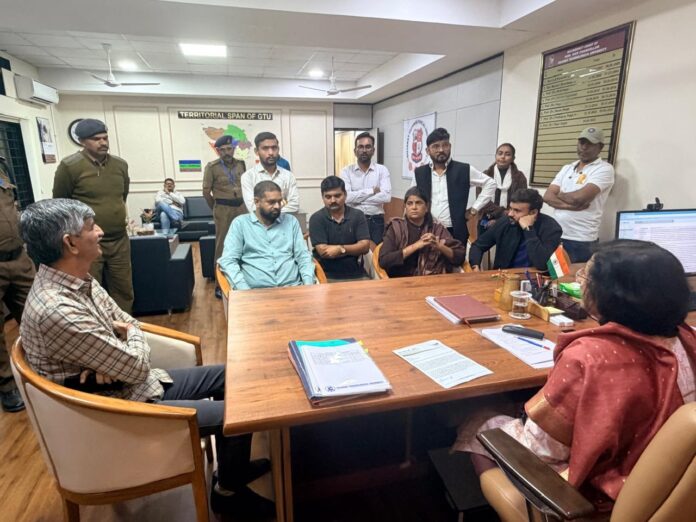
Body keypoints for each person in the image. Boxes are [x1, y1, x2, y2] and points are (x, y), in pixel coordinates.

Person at [18, 199, 273, 517]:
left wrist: (125, 338)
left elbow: (128, 324)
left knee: (229, 375)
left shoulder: (77, 280)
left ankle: (232, 473)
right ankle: (228, 495)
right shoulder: (57, 309)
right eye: (91, 227)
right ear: (70, 243)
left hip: (128, 384)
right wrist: (128, 338)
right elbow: (137, 365)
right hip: (118, 409)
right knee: (237, 414)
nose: (100, 231)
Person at [454, 240, 695, 510]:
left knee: (478, 420)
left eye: (585, 277)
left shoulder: (589, 357)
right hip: (670, 490)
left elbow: (541, 451)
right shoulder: (689, 338)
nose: (580, 282)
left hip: (590, 499)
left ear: (611, 295)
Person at [53, 118, 133, 314]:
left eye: (105, 138)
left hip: (119, 239)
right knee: (90, 290)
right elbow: (61, 204)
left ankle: (125, 327)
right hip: (86, 242)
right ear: (82, 141)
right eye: (96, 139)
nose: (103, 142)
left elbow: (122, 196)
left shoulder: (120, 165)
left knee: (124, 289)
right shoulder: (70, 166)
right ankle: (96, 328)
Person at [219, 181, 314, 290]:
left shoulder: (291, 222)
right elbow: (228, 260)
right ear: (257, 202)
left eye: (280, 201)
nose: (277, 206)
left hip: (293, 288)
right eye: (271, 202)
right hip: (256, 292)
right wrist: (244, 291)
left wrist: (308, 287)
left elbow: (303, 256)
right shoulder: (240, 224)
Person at [411, 127, 496, 245]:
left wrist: (474, 209)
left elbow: (490, 183)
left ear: (450, 146)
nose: (441, 149)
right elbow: (412, 197)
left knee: (456, 257)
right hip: (427, 229)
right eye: (436, 146)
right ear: (427, 150)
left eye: (445, 145)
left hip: (455, 231)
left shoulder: (464, 170)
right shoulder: (419, 173)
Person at [543, 127, 615, 263]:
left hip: (581, 240)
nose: (584, 147)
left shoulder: (604, 169)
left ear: (600, 147)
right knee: (555, 274)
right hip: (557, 235)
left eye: (590, 144)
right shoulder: (567, 168)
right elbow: (547, 197)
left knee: (576, 276)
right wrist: (570, 206)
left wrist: (559, 194)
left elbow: (579, 198)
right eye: (582, 143)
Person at [0, 156, 35, 412]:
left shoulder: (2, 167)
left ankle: (41, 371)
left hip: (19, 258)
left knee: (37, 317)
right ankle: (7, 386)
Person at [379, 187, 466, 277]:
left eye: (418, 203)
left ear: (427, 207)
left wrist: (439, 246)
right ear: (405, 207)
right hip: (401, 280)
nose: (414, 207)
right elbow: (384, 261)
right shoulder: (396, 227)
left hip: (433, 279)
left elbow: (459, 257)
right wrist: (415, 246)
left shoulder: (437, 229)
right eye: (410, 203)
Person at [469, 188, 562, 271]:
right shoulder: (506, 222)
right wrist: (475, 266)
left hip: (536, 279)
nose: (510, 214)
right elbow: (478, 246)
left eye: (517, 211)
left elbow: (542, 264)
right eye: (511, 209)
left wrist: (528, 230)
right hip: (504, 278)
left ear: (533, 212)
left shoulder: (551, 228)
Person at [202, 135, 247, 299]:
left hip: (242, 207)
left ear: (234, 149)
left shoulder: (241, 164)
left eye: (229, 149)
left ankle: (243, 279)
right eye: (223, 150)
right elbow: (206, 192)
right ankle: (220, 285)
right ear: (218, 151)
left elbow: (246, 185)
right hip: (223, 209)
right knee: (222, 246)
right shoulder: (212, 167)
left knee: (245, 242)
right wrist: (216, 208)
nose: (227, 152)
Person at [309, 176, 370, 280]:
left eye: (337, 196)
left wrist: (341, 249)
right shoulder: (316, 218)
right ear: (322, 197)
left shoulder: (358, 215)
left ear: (345, 195)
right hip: (326, 276)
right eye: (328, 197)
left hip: (356, 273)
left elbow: (365, 247)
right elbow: (323, 252)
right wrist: (354, 248)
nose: (333, 200)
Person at [339, 132, 392, 244]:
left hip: (376, 220)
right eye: (360, 147)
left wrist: (356, 198)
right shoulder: (346, 171)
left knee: (376, 252)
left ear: (373, 150)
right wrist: (371, 191)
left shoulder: (382, 170)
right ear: (355, 151)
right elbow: (346, 198)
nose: (364, 150)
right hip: (353, 219)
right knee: (353, 251)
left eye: (368, 147)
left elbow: (386, 197)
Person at [241, 132, 299, 214]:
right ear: (256, 151)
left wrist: (267, 209)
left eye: (274, 148)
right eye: (265, 148)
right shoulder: (248, 177)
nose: (271, 152)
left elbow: (294, 205)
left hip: (284, 221)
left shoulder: (288, 176)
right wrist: (282, 205)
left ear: (278, 149)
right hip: (259, 222)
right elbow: (253, 207)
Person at [477, 143, 527, 237]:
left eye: (507, 154)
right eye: (500, 153)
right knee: (483, 244)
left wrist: (503, 218)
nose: (503, 157)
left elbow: (521, 201)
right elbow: (482, 200)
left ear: (513, 158)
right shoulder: (485, 175)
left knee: (507, 245)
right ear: (495, 156)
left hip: (511, 219)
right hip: (486, 219)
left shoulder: (520, 177)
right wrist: (502, 212)